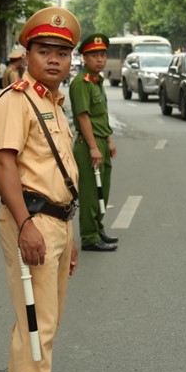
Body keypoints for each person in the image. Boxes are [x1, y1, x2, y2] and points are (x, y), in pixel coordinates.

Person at [0, 6, 81, 372]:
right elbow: (3, 164)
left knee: (47, 322)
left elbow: (57, 174)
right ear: (27, 54)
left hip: (55, 222)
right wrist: (26, 224)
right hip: (30, 221)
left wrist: (67, 231)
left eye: (62, 53)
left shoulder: (53, 103)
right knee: (35, 326)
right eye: (44, 51)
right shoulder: (16, 100)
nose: (54, 60)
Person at [68, 34, 118, 252]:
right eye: (94, 55)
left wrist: (109, 139)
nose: (100, 59)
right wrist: (93, 147)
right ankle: (89, 237)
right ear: (84, 58)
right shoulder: (81, 83)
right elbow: (83, 116)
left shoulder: (97, 81)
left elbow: (101, 115)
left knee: (102, 190)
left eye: (102, 55)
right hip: (89, 144)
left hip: (101, 142)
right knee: (90, 192)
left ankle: (98, 229)